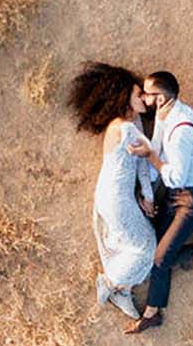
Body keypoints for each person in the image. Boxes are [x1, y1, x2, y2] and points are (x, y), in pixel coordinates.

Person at [65, 62, 158, 321]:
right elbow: (149, 158)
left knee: (142, 243)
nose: (144, 99)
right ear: (123, 97)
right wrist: (148, 197)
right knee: (147, 248)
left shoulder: (127, 124)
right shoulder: (125, 128)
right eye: (138, 94)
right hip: (116, 199)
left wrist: (147, 196)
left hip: (114, 196)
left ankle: (123, 290)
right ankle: (111, 283)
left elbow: (140, 164)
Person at [123, 69, 193, 335]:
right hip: (178, 195)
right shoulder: (166, 115)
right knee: (156, 245)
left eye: (147, 94)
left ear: (160, 99)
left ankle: (152, 314)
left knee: (160, 260)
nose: (143, 96)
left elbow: (173, 177)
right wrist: (147, 192)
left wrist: (149, 156)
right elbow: (157, 147)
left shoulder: (181, 131)